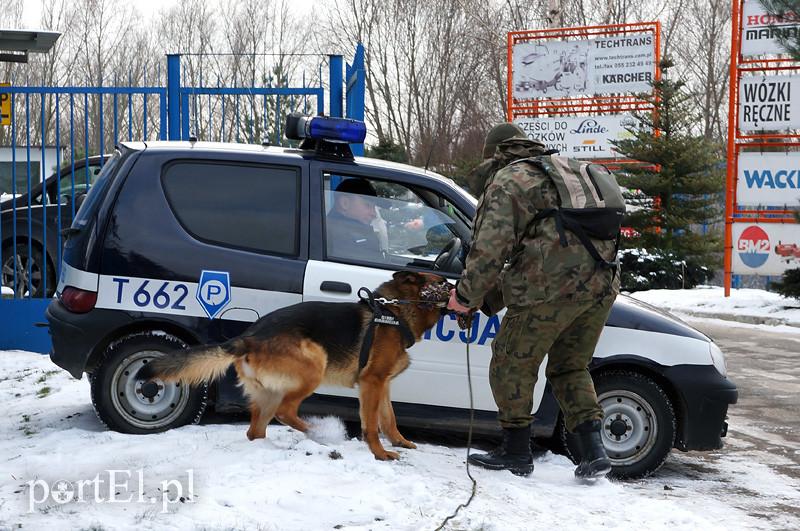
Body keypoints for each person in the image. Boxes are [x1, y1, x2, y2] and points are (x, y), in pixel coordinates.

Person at [447, 123, 618, 479]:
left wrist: (465, 297)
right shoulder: (562, 170)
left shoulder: (509, 180)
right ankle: (593, 452)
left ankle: (516, 452)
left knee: (511, 361)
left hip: (549, 287)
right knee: (570, 365)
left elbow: (489, 250)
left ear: (495, 155)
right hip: (602, 285)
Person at [326, 178, 383, 263]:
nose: (374, 214)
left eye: (374, 208)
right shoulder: (335, 235)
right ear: (345, 203)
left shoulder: (331, 228)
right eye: (367, 205)